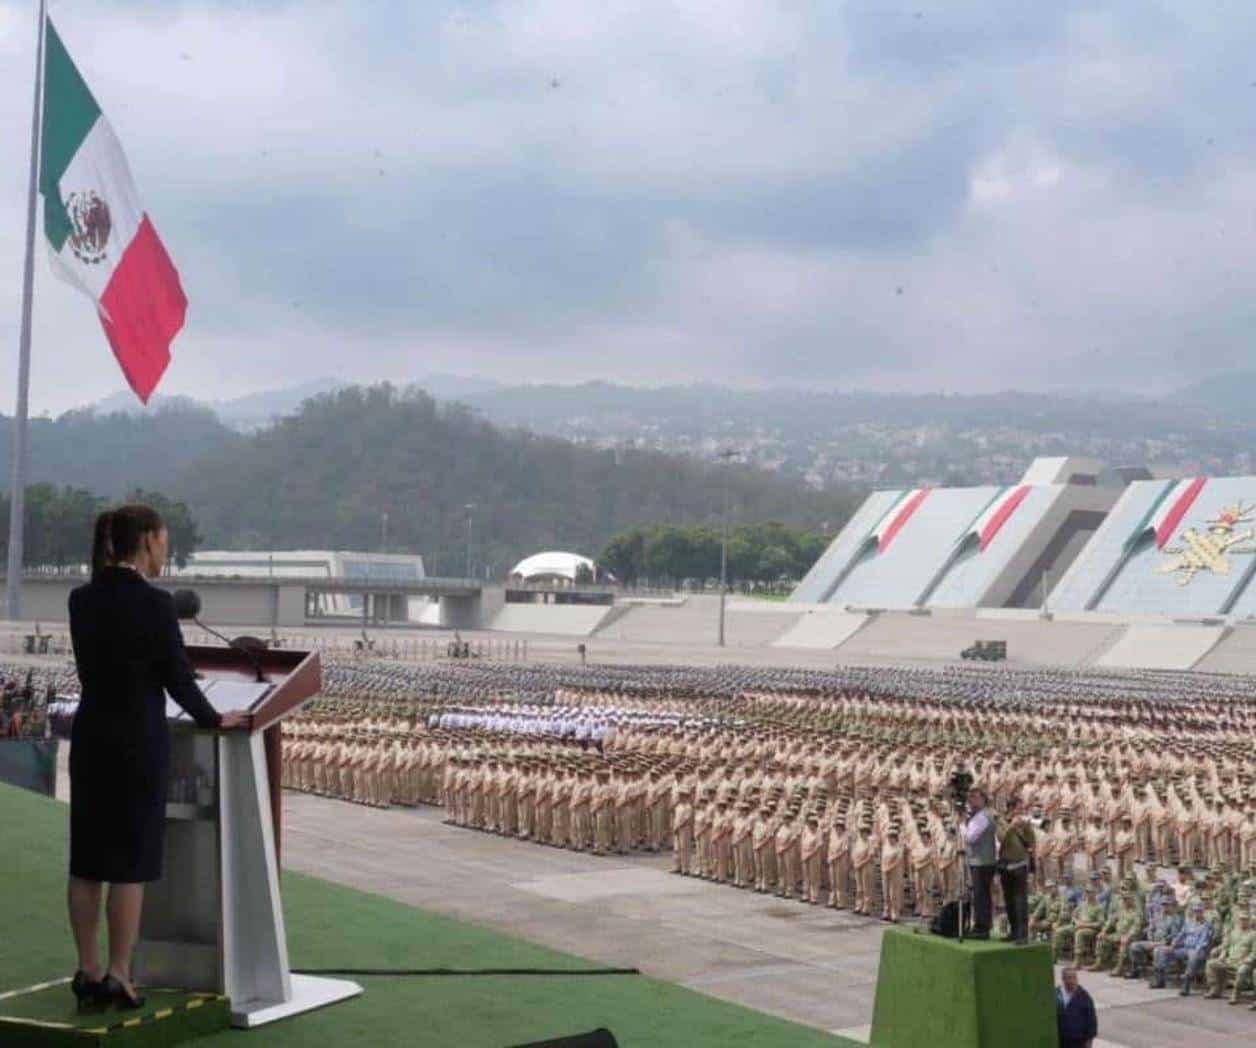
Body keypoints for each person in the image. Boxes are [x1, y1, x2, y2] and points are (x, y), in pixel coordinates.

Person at [67, 505, 248, 1010]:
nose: (166, 551)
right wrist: (215, 719)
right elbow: (178, 678)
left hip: (91, 739)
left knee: (86, 862)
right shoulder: (156, 605)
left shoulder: (81, 599)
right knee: (129, 862)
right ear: (147, 541)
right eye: (164, 541)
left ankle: (87, 968)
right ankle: (120, 975)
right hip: (137, 742)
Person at [996, 796, 1035, 943]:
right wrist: (1011, 826)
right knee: (1009, 901)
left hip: (1020, 865)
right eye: (1019, 809)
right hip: (1006, 865)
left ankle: (1023, 935)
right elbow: (1001, 839)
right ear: (1011, 808)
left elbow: (1031, 842)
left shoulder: (1023, 824)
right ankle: (1013, 932)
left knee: (1020, 902)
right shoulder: (1001, 821)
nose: (1021, 812)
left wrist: (1027, 828)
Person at [961, 787, 997, 939]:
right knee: (980, 895)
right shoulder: (977, 816)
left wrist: (961, 824)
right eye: (970, 797)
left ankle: (981, 928)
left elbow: (970, 838)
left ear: (983, 799)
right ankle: (982, 925)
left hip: (982, 862)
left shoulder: (982, 816)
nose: (972, 800)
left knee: (981, 896)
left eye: (975, 797)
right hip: (979, 860)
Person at [1056, 967, 1098, 1048]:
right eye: (1069, 978)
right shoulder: (1057, 995)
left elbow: (1091, 1021)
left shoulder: (1084, 997)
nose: (1072, 980)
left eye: (1074, 977)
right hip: (1061, 1041)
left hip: (1078, 1043)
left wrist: (1089, 1042)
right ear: (1063, 979)